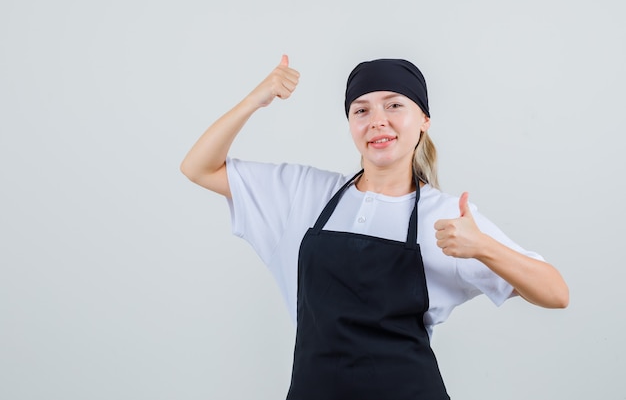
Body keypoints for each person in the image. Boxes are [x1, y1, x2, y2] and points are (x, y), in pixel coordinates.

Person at [180, 55, 569, 400]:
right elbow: (198, 167)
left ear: (424, 121)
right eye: (360, 110)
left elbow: (556, 293)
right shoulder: (304, 194)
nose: (377, 121)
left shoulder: (447, 215)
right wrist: (254, 100)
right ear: (350, 124)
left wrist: (483, 247)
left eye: (394, 105)